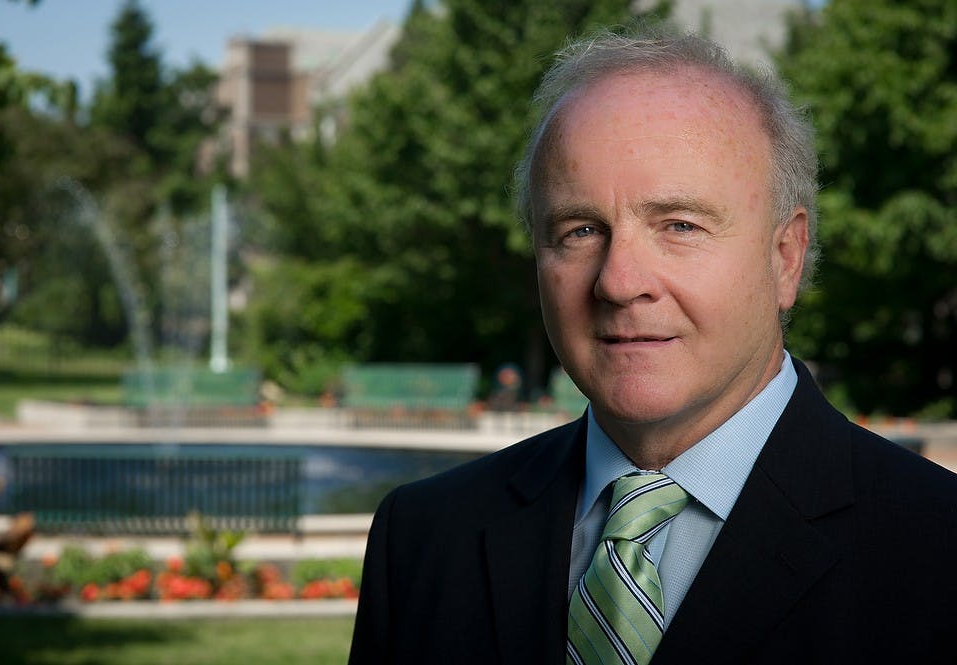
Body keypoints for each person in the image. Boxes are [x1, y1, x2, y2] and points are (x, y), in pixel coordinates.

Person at [348, 29, 957, 665]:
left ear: (785, 258)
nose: (618, 281)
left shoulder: (938, 549)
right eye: (580, 230)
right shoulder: (423, 538)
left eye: (680, 226)